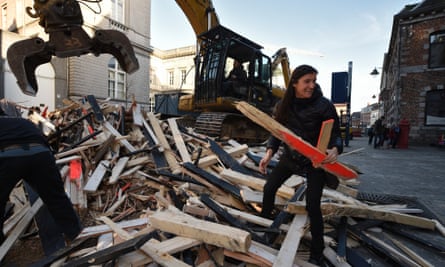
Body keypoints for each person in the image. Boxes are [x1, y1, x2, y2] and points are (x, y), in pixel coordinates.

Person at [259, 65, 343, 266]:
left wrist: (336, 149)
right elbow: (277, 133)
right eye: (307, 81)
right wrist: (269, 153)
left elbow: (337, 134)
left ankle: (317, 251)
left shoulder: (324, 105)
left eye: (314, 81)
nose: (311, 85)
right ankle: (265, 228)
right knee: (269, 188)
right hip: (291, 157)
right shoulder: (283, 106)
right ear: (295, 83)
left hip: (316, 161)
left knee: (313, 206)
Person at [0, 107, 82, 246]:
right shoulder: (21, 121)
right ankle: (78, 236)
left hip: (7, 156)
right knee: (57, 198)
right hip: (41, 155)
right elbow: (45, 141)